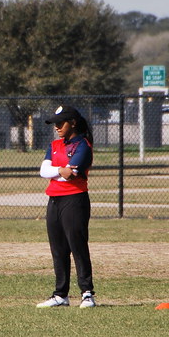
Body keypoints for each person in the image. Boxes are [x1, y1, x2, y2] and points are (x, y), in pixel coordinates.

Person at [37, 105, 96, 308]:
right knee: (58, 248)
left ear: (73, 123)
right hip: (54, 200)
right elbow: (44, 171)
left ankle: (87, 293)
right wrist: (60, 170)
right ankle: (60, 295)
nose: (56, 127)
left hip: (75, 200)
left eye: (60, 123)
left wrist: (59, 170)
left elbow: (72, 174)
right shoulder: (54, 145)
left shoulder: (83, 145)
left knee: (77, 247)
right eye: (55, 123)